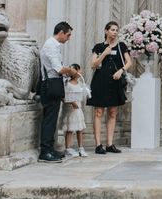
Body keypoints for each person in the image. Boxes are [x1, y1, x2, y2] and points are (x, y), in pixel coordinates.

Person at [87, 21, 132, 155]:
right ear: (106, 31)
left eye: (116, 30)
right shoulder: (99, 47)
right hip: (100, 81)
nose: (115, 32)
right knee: (98, 112)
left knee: (112, 112)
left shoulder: (121, 46)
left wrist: (121, 71)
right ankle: (98, 145)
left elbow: (129, 62)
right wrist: (104, 53)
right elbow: (93, 64)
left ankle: (110, 144)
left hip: (115, 81)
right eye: (112, 29)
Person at [38, 22, 78, 163]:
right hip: (49, 86)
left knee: (53, 118)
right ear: (61, 32)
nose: (69, 38)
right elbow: (58, 69)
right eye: (68, 34)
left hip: (53, 84)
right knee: (49, 119)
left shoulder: (54, 46)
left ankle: (50, 148)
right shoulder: (50, 45)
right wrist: (71, 71)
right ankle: (45, 151)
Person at [62, 64, 89, 158]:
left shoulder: (80, 84)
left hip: (78, 110)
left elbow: (82, 94)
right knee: (70, 129)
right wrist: (72, 102)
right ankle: (68, 148)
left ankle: (81, 147)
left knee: (80, 129)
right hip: (71, 110)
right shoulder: (67, 84)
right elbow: (65, 97)